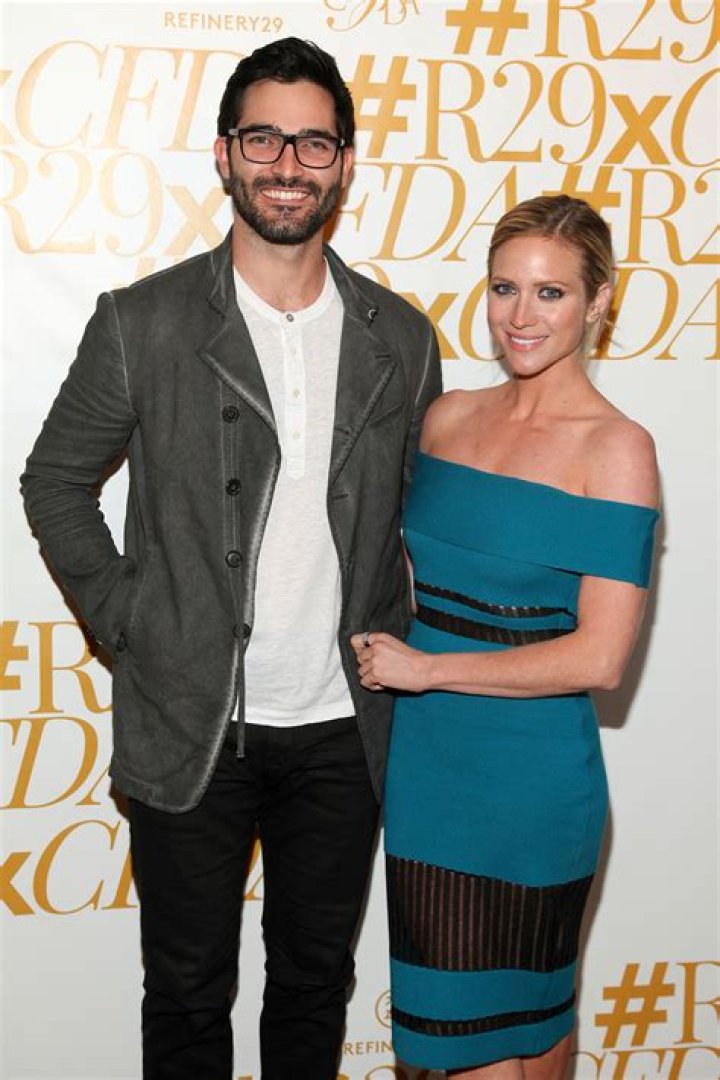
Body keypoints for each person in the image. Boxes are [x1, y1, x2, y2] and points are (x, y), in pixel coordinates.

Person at [21, 37, 441, 1080]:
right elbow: (54, 480)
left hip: (346, 727)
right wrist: (130, 617)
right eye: (263, 138)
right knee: (187, 993)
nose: (287, 164)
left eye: (313, 142)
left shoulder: (401, 338)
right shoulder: (144, 322)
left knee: (314, 988)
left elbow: (422, 517)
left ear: (345, 163)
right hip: (193, 723)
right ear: (224, 153)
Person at [352, 195, 660, 1079]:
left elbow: (601, 657)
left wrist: (427, 669)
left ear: (599, 302)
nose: (521, 316)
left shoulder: (617, 450)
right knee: (503, 1038)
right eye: (504, 288)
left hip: (532, 783)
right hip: (429, 778)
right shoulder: (446, 418)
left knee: (522, 1035)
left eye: (551, 293)